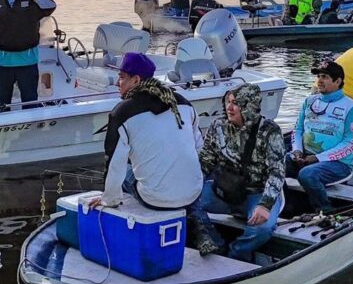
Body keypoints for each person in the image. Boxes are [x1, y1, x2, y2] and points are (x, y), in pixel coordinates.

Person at [89, 52, 204, 215]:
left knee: (126, 170)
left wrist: (108, 199)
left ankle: (129, 223)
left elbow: (115, 164)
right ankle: (195, 222)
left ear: (136, 80)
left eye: (121, 77)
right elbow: (199, 148)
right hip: (194, 192)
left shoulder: (122, 113)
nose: (117, 83)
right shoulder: (182, 102)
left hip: (155, 199)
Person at [192, 83, 287, 261]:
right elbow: (205, 161)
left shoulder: (269, 131)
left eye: (235, 103)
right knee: (186, 202)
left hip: (257, 194)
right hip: (224, 190)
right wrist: (189, 188)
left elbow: (277, 172)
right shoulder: (218, 126)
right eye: (228, 102)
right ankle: (217, 244)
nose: (229, 107)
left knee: (263, 229)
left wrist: (265, 205)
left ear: (248, 105)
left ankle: (236, 253)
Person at [290, 61, 353, 212]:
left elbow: (351, 144)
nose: (319, 80)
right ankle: (282, 204)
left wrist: (318, 158)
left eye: (325, 77)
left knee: (307, 174)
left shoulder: (352, 107)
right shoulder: (309, 101)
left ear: (338, 81)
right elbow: (297, 130)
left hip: (339, 164)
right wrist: (297, 150)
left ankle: (326, 210)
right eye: (318, 76)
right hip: (305, 156)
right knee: (272, 164)